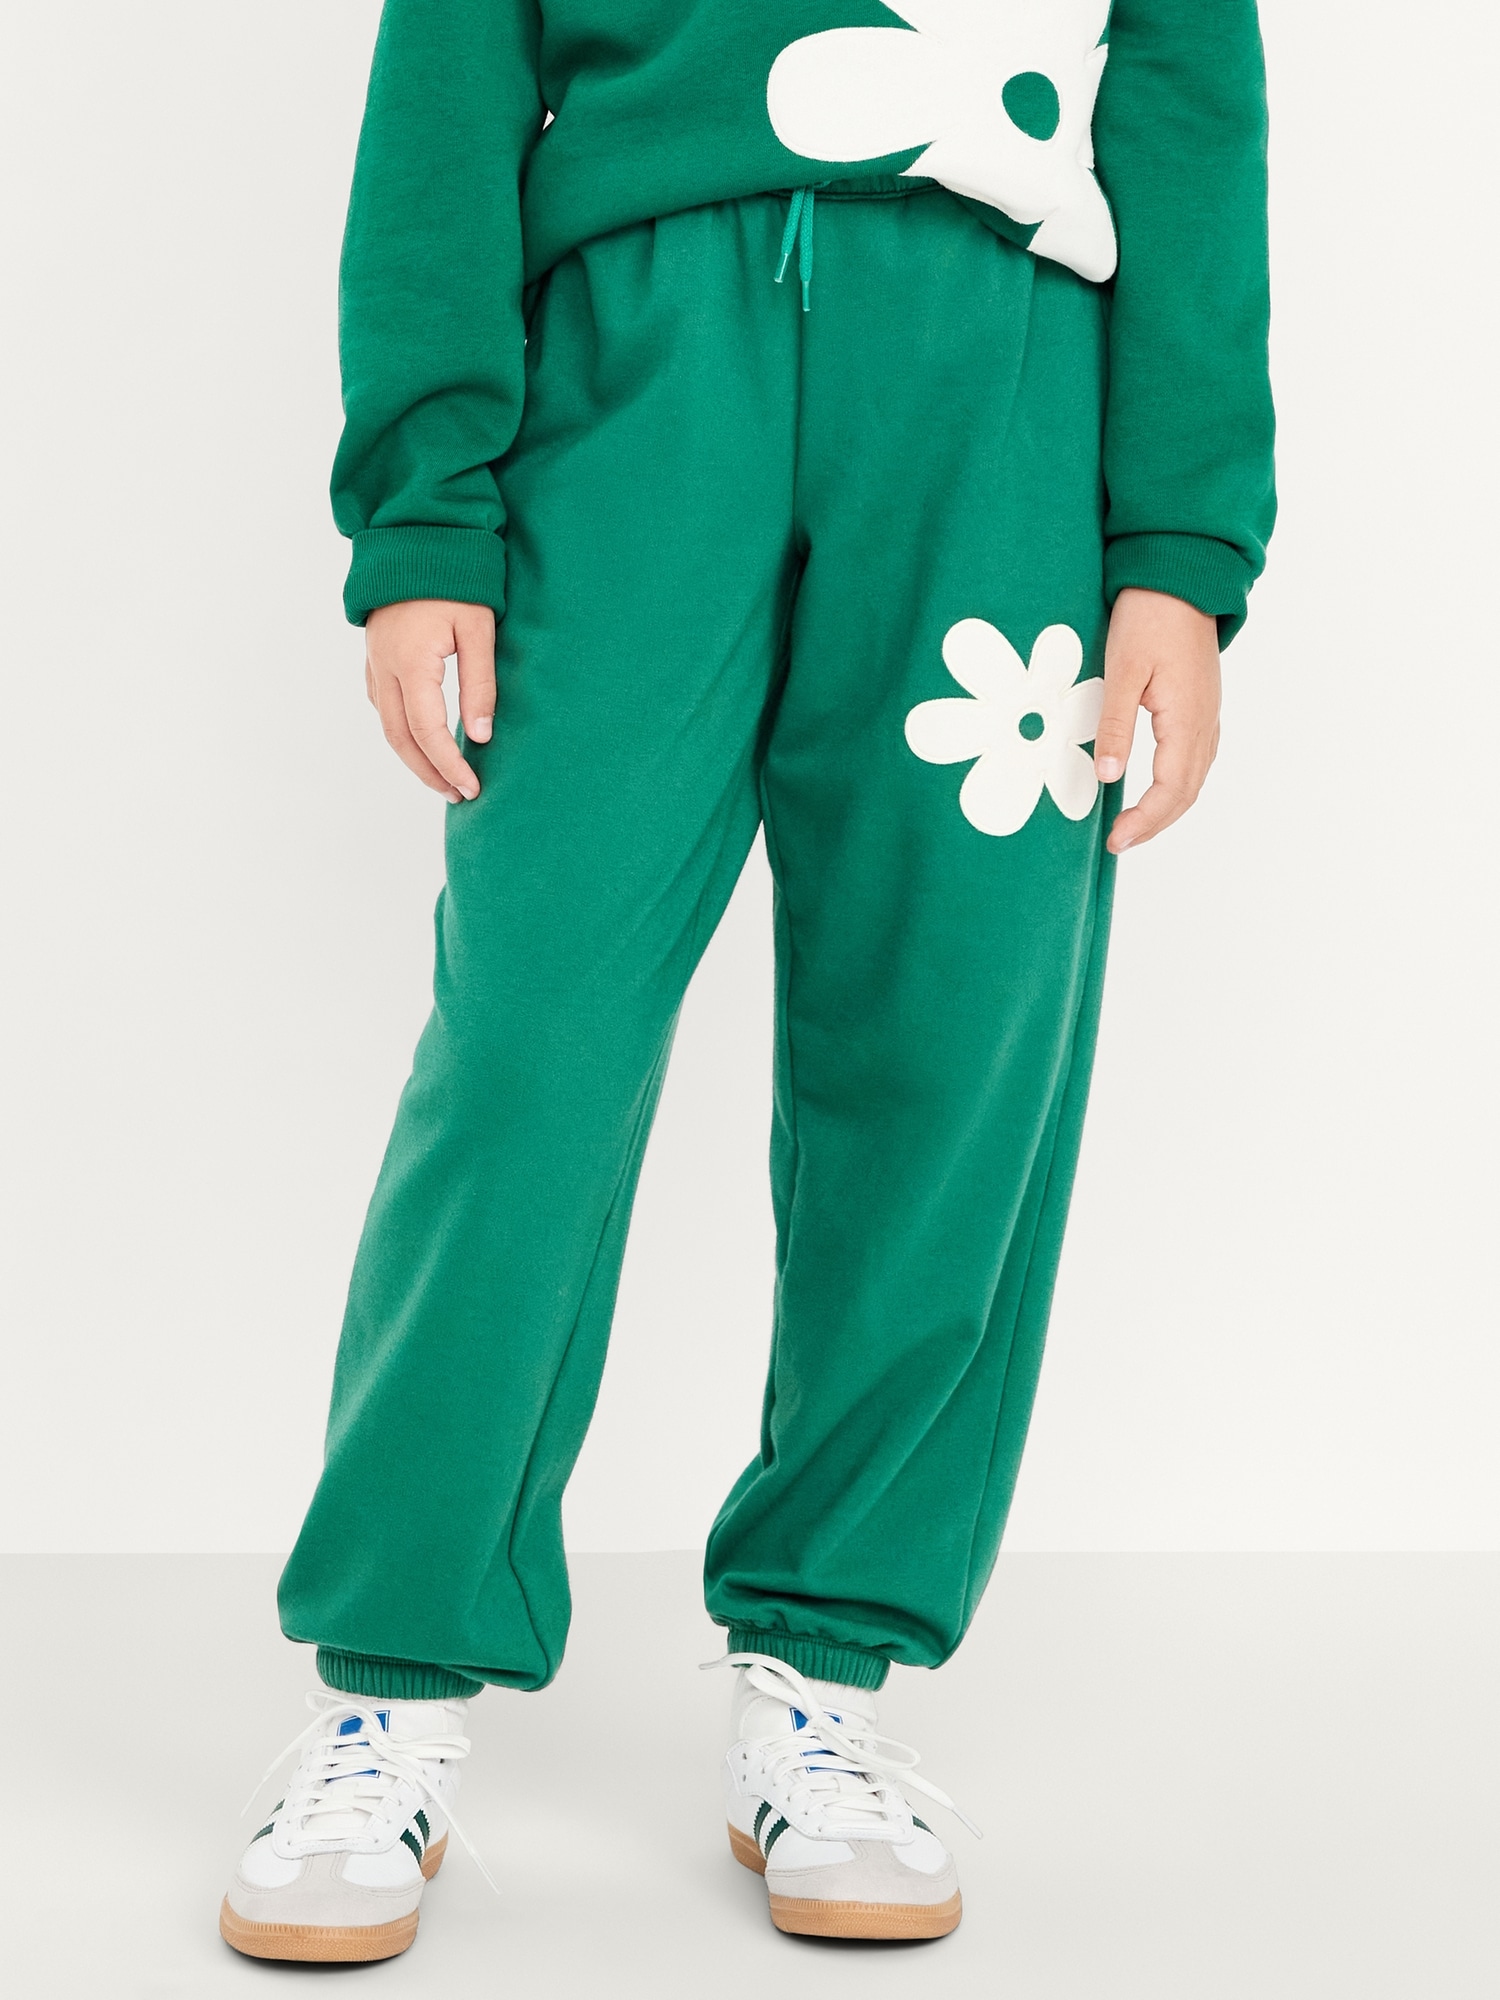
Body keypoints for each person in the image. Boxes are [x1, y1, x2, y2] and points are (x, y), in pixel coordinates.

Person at [219, 0, 1274, 1961]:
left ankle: (826, 1669)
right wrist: (426, 503)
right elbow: (449, 77)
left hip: (1005, 373)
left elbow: (1187, 91)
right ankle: (390, 1681)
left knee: (956, 1037)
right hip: (637, 365)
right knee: (533, 1031)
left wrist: (1180, 544)